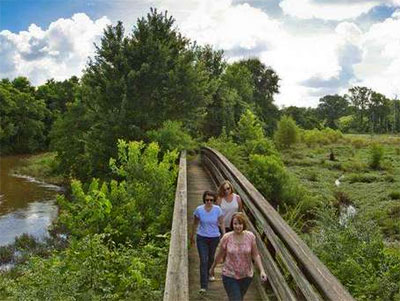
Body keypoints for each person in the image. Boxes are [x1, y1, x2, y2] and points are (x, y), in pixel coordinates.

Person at [209, 212, 267, 301]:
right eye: (235, 224)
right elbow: (219, 254)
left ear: (244, 224)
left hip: (246, 275)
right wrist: (213, 268)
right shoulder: (227, 237)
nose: (237, 226)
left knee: (239, 298)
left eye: (240, 224)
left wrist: (262, 271)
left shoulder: (250, 237)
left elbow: (255, 255)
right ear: (232, 224)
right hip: (229, 275)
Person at [190, 191, 225, 294]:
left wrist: (224, 235)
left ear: (214, 200)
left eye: (211, 200)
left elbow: (222, 222)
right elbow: (195, 223)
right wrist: (192, 236)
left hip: (214, 237)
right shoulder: (199, 210)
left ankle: (210, 273)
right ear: (204, 200)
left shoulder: (217, 210)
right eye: (207, 200)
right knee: (203, 260)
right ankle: (203, 286)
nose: (209, 202)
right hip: (202, 237)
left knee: (211, 258)